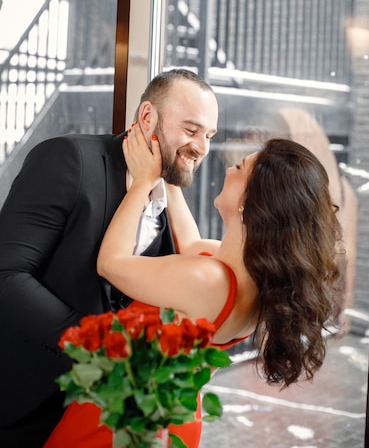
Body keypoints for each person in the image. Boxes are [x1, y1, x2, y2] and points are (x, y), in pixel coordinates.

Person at [45, 125, 344, 448]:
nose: (229, 168)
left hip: (127, 421)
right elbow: (188, 243)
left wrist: (143, 183)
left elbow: (111, 263)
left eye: (240, 168)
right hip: (169, 418)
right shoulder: (250, 274)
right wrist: (168, 165)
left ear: (251, 203)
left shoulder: (209, 280)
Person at [0, 68, 219, 448]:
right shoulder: (70, 159)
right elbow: (7, 273)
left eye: (208, 136)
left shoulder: (175, 204)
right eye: (191, 130)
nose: (201, 147)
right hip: (25, 403)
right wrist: (97, 348)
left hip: (105, 418)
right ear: (148, 117)